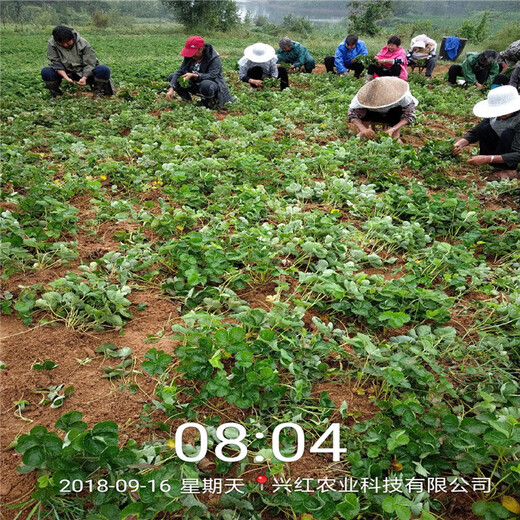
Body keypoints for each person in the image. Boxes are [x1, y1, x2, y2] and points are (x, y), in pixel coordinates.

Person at [452, 85, 520, 180]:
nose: (500, 113)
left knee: (508, 133)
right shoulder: (494, 115)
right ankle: (495, 164)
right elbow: (476, 132)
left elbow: (518, 154)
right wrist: (459, 144)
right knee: (485, 128)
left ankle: (510, 170)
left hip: (517, 149)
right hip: (505, 146)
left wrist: (487, 158)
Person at [41, 25, 114, 99]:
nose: (65, 45)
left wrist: (84, 78)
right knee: (46, 72)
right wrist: (66, 78)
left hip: (86, 71)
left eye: (68, 42)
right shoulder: (52, 44)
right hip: (67, 72)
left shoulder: (83, 43)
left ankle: (98, 93)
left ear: (72, 37)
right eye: (62, 43)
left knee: (103, 69)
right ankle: (57, 96)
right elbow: (56, 63)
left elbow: (90, 63)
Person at [166, 36, 234, 109]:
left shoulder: (213, 58)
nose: (191, 55)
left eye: (193, 53)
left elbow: (212, 76)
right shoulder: (190, 56)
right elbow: (180, 71)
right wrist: (171, 88)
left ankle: (208, 105)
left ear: (201, 49)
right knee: (173, 77)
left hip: (211, 85)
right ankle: (187, 101)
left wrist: (194, 75)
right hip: (194, 84)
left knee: (206, 84)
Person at [348, 76, 418, 144]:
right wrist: (363, 129)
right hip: (372, 114)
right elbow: (353, 114)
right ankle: (364, 134)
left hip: (392, 114)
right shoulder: (363, 96)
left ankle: (395, 134)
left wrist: (393, 129)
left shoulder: (403, 96)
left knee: (398, 111)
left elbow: (409, 115)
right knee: (362, 112)